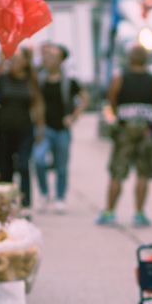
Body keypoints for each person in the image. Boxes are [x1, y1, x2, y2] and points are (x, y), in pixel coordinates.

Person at [99, 46, 152, 226]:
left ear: (129, 59)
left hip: (124, 129)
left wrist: (119, 114)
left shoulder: (120, 78)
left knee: (117, 172)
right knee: (143, 173)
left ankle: (110, 212)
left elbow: (111, 99)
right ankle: (139, 213)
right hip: (147, 129)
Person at [33, 43, 89, 213]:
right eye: (46, 56)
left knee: (61, 165)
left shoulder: (69, 81)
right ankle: (44, 193)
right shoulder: (39, 79)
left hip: (62, 129)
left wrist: (74, 117)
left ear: (60, 61)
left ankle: (60, 197)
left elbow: (85, 97)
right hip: (44, 128)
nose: (48, 59)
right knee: (39, 160)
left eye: (53, 56)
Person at [0, 48, 44, 212]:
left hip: (24, 129)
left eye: (18, 60)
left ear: (26, 63)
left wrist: (40, 126)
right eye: (12, 59)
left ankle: (26, 203)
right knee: (5, 167)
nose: (15, 63)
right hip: (4, 129)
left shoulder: (31, 80)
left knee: (23, 165)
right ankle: (6, 202)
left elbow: (38, 103)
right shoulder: (3, 79)